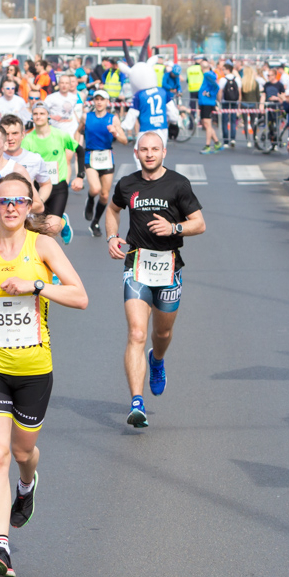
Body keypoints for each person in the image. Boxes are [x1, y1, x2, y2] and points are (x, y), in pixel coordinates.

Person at [0, 172, 88, 577]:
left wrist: (36, 285)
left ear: (29, 207)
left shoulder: (42, 246)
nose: (11, 207)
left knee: (22, 453)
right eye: (3, 201)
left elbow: (80, 296)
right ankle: (1, 547)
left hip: (34, 369)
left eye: (19, 201)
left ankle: (27, 485)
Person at [104, 131, 206, 429]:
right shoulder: (127, 184)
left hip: (169, 267)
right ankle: (137, 402)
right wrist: (112, 236)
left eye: (155, 149)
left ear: (164, 153)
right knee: (136, 333)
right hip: (136, 264)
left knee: (160, 335)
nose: (149, 154)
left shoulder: (178, 184)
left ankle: (157, 360)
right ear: (136, 152)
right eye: (144, 150)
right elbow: (113, 209)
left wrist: (174, 228)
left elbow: (199, 223)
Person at [21, 102, 82, 244]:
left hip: (58, 187)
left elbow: (80, 150)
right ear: (32, 117)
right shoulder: (28, 140)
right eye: (35, 114)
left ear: (48, 116)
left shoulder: (60, 135)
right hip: (37, 188)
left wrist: (80, 176)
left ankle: (62, 223)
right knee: (35, 229)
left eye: (42, 113)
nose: (38, 116)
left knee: (51, 229)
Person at [78, 88, 127, 238]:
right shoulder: (86, 117)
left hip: (106, 157)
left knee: (105, 195)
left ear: (107, 102)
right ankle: (91, 199)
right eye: (97, 99)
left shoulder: (113, 119)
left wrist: (115, 133)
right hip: (90, 155)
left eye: (102, 99)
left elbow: (124, 141)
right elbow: (79, 132)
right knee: (95, 189)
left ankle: (95, 223)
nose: (99, 102)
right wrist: (77, 148)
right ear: (94, 101)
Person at [197, 62, 221, 153]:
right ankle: (217, 142)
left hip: (207, 102)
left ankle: (207, 146)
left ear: (201, 68)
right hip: (204, 102)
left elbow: (216, 86)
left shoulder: (207, 75)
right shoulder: (207, 75)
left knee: (207, 124)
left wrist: (209, 94)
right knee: (205, 123)